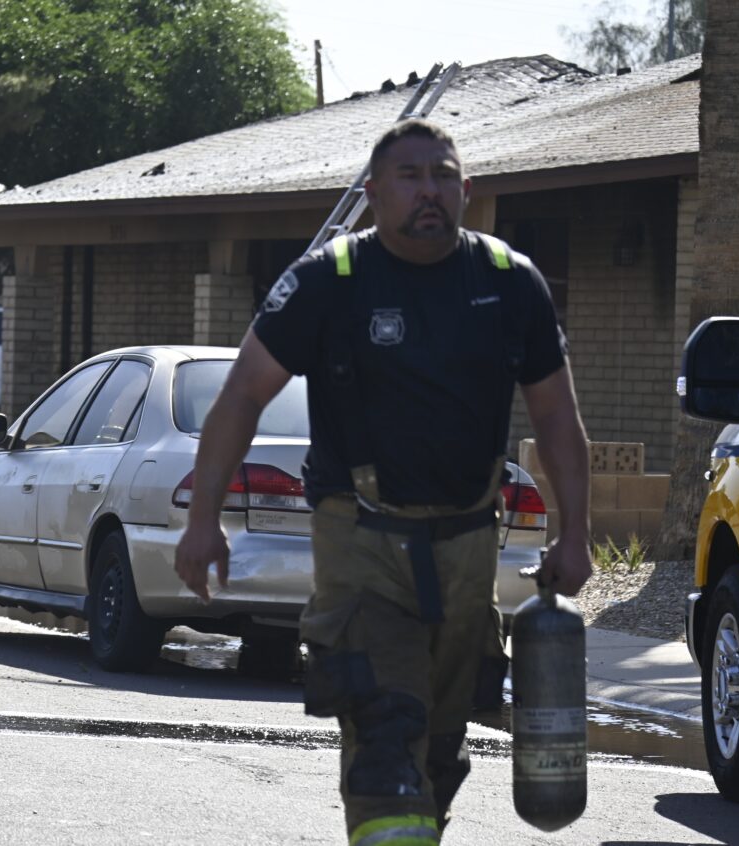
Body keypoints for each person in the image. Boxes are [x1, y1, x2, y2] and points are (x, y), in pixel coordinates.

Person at [174, 118, 591, 845]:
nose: (430, 191)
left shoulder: (508, 281)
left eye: (444, 176)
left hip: (468, 545)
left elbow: (556, 416)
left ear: (467, 190)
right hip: (361, 541)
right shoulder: (327, 282)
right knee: (386, 727)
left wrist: (575, 533)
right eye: (410, 176)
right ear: (372, 193)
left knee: (438, 750)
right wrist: (203, 520)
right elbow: (241, 397)